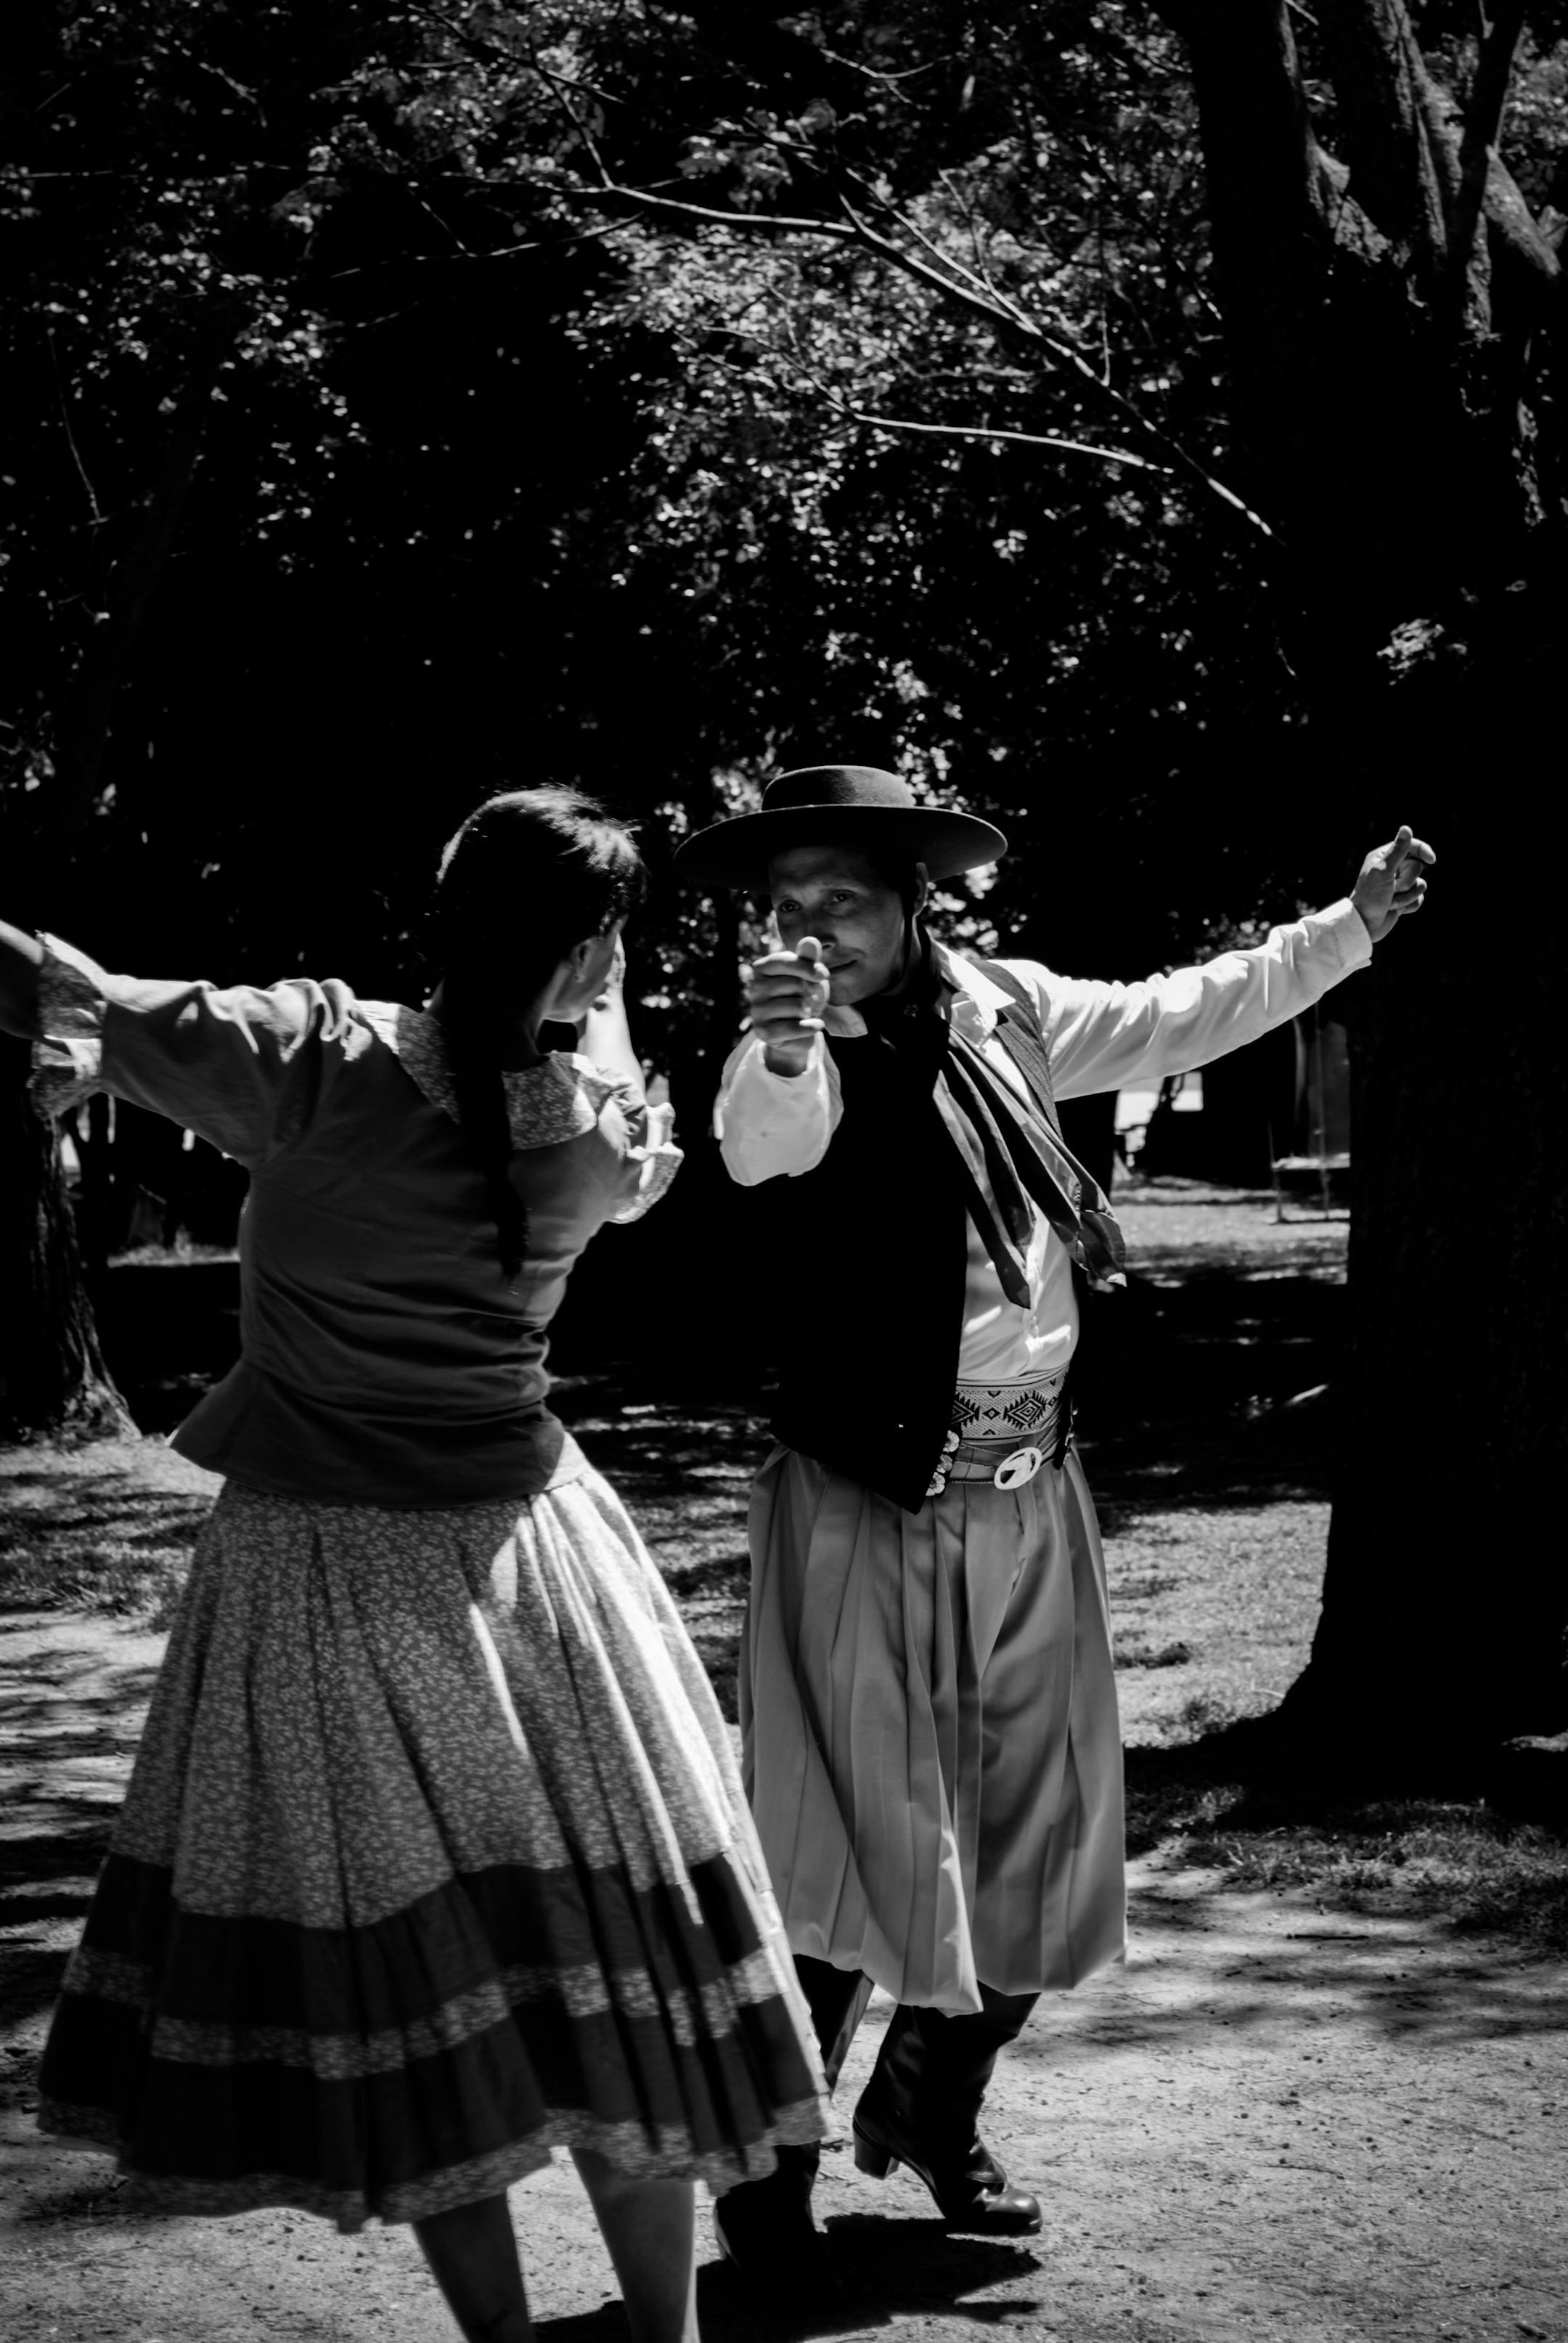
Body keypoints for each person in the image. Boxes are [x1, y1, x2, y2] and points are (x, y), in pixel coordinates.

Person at [0, 789, 829, 2343]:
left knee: (418, 1988)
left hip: (323, 1573)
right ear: (589, 953)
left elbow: (62, 981)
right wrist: (597, 992)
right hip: (537, 1570)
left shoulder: (320, 1055)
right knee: (607, 1961)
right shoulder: (593, 1138)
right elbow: (606, 1100)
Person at [674, 765, 1433, 2283]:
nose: (812, 928)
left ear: (911, 903)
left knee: (1042, 1841)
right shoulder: (788, 1045)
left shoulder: (1002, 1007)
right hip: (864, 1503)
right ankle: (769, 2173)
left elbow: (1173, 1012)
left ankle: (933, 2105)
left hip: (1032, 1495)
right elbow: (765, 1145)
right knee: (843, 1844)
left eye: (842, 899)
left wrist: (1345, 928)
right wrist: (774, 1039)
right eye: (788, 904)